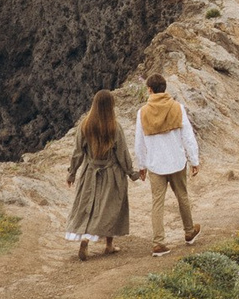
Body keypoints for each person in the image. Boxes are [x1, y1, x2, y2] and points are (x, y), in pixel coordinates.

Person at [133, 72, 202, 253]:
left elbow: (139, 143)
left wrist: (142, 166)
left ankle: (158, 243)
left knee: (157, 202)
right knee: (182, 197)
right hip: (177, 161)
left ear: (149, 90)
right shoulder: (177, 108)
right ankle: (189, 231)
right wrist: (194, 160)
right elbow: (188, 137)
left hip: (155, 164)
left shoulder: (142, 113)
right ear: (164, 89)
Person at [63, 89, 132, 260]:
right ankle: (108, 244)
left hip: (89, 172)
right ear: (111, 106)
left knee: (89, 206)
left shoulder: (85, 125)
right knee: (110, 208)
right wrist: (131, 172)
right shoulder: (114, 126)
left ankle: (87, 239)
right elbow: (122, 153)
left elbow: (78, 152)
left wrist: (72, 173)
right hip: (111, 173)